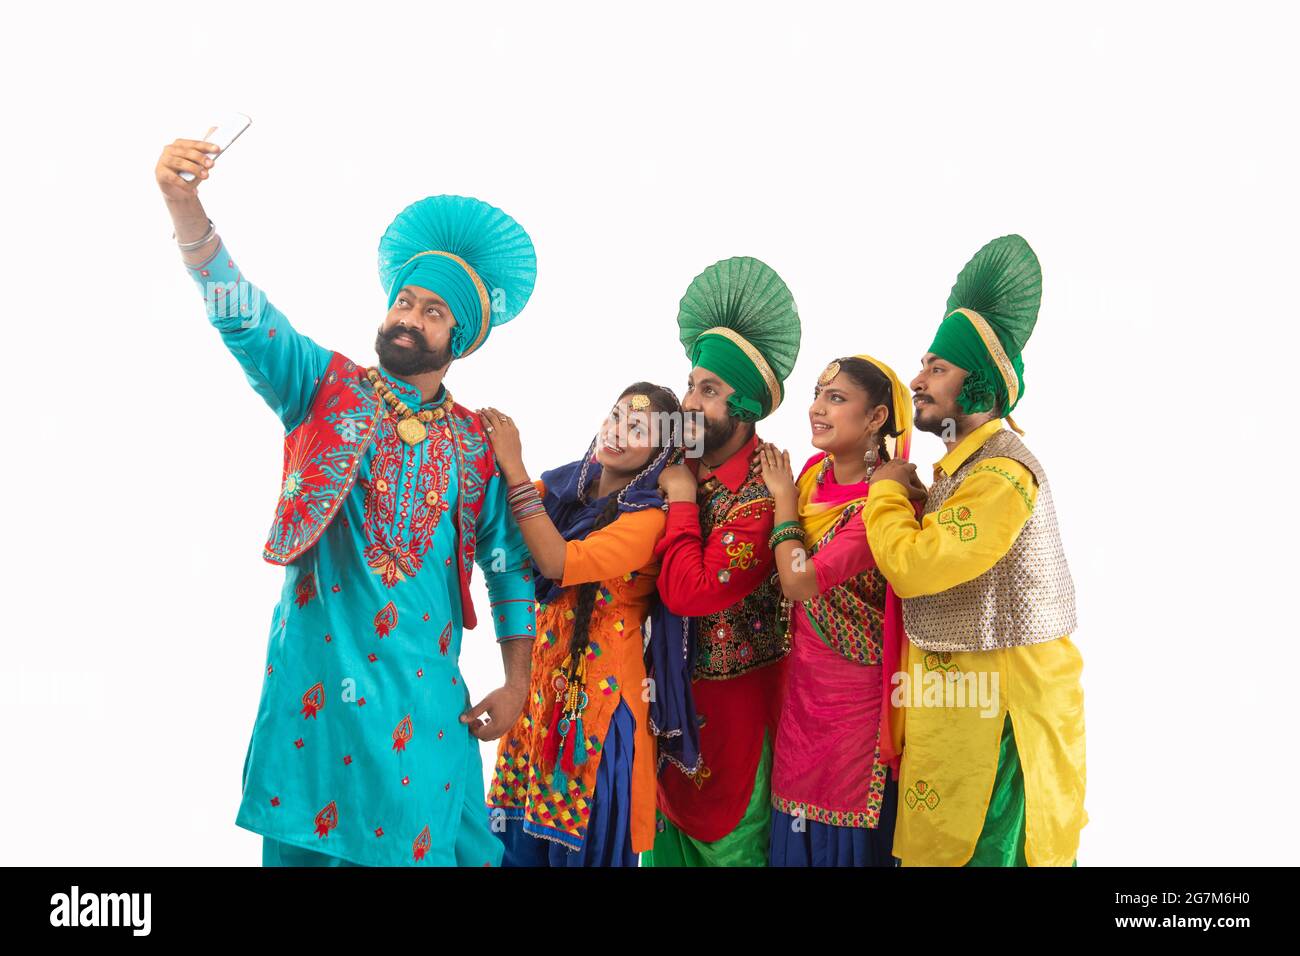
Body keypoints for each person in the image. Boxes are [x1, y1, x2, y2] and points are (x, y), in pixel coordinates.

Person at [155, 136, 538, 866]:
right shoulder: (324, 390)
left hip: (424, 713)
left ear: (457, 337)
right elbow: (244, 317)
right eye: (404, 300)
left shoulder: (476, 444)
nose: (407, 317)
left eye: (431, 312)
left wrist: (518, 682)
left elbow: (510, 565)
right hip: (318, 700)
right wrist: (185, 207)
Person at [864, 235, 1087, 867]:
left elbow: (912, 567)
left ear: (979, 382)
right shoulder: (962, 471)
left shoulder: (1000, 475)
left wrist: (883, 493)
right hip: (966, 722)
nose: (917, 381)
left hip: (1002, 735)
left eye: (937, 369)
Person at [480, 384, 683, 865]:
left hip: (594, 713)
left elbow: (554, 561)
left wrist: (515, 468)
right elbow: (498, 522)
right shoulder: (564, 486)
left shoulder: (649, 518)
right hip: (536, 699)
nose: (618, 432)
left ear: (662, 451)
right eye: (615, 417)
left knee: (582, 840)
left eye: (639, 429)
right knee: (515, 843)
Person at [642, 256, 801, 867]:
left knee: (730, 848)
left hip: (737, 719)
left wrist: (681, 502)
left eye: (708, 391)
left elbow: (691, 592)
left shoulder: (763, 492)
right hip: (666, 708)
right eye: (690, 384)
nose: (688, 402)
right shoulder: (676, 465)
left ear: (747, 411)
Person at [757, 354, 914, 866]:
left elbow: (799, 580)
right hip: (798, 691)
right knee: (792, 819)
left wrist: (781, 501)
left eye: (837, 398)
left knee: (841, 833)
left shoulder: (882, 504)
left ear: (876, 419)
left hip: (855, 705)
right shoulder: (811, 476)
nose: (817, 409)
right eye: (818, 395)